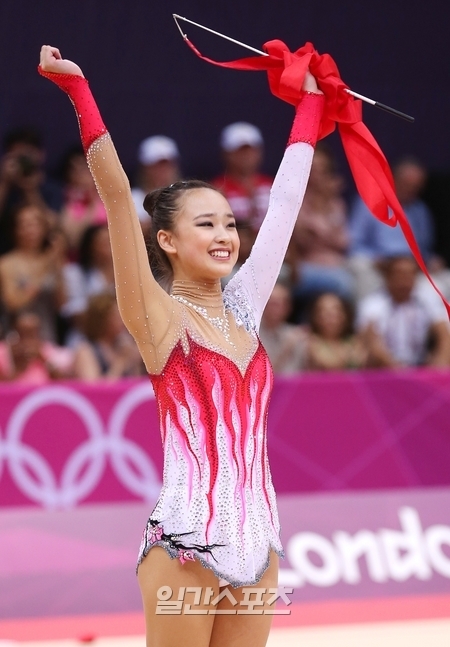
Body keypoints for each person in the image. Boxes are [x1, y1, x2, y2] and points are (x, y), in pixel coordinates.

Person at [38, 44, 324, 647]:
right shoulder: (157, 316)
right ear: (165, 239)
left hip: (260, 542)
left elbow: (287, 203)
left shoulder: (245, 303)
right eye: (205, 224)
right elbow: (118, 197)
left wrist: (313, 104)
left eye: (228, 223)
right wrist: (79, 93)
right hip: (187, 544)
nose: (225, 235)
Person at [349, 157, 435, 299]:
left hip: (410, 268)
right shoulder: (369, 201)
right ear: (393, 179)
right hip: (377, 265)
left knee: (444, 279)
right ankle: (368, 318)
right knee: (359, 266)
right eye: (407, 185)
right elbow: (354, 243)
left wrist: (428, 261)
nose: (411, 190)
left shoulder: (420, 210)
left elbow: (424, 248)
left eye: (416, 187)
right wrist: (374, 258)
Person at [356, 255, 450, 368]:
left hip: (420, 365)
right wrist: (398, 370)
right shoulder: (372, 303)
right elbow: (371, 341)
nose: (405, 280)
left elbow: (444, 334)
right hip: (384, 368)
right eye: (400, 275)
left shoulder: (427, 299)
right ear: (388, 277)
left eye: (410, 275)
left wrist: (437, 366)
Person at [291, 143, 353, 304]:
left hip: (336, 264)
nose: (315, 174)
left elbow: (343, 242)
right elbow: (303, 240)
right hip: (306, 266)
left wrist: (325, 203)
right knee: (343, 283)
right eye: (312, 168)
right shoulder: (295, 201)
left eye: (321, 169)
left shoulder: (337, 204)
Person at [0, 203, 66, 342]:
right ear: (15, 229)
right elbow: (12, 303)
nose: (30, 229)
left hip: (47, 334)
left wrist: (58, 266)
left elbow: (62, 304)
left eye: (35, 224)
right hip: (17, 337)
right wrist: (45, 266)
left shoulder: (52, 259)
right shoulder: (6, 263)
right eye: (24, 224)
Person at [211, 122, 273, 232]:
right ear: (226, 154)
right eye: (240, 151)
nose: (247, 156)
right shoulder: (217, 189)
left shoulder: (273, 185)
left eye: (251, 150)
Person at [73, 293, 144, 380]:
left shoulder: (123, 347)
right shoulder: (86, 351)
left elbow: (136, 387)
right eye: (117, 315)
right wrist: (120, 363)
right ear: (102, 319)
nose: (123, 320)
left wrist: (135, 362)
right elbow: (92, 389)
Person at [0, 310, 75, 384]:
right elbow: (5, 386)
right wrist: (16, 365)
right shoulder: (3, 351)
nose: (27, 339)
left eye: (31, 334)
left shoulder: (48, 350)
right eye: (22, 333)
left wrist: (43, 358)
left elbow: (63, 382)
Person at [59, 145, 108, 255]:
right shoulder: (70, 205)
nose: (81, 175)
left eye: (85, 169)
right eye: (76, 171)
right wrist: (91, 205)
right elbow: (72, 241)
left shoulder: (109, 200)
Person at [305, 292, 368, 371]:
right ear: (315, 316)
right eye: (323, 311)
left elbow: (362, 360)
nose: (330, 315)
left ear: (345, 315)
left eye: (336, 309)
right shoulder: (310, 341)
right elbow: (330, 364)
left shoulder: (353, 341)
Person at [131, 135, 181, 226]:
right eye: (156, 166)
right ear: (145, 169)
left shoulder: (186, 195)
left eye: (167, 165)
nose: (163, 171)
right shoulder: (133, 199)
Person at [259, 281, 307, 373]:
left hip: (296, 386)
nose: (274, 308)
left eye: (279, 304)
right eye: (271, 303)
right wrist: (287, 348)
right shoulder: (250, 336)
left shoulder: (298, 334)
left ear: (289, 307)